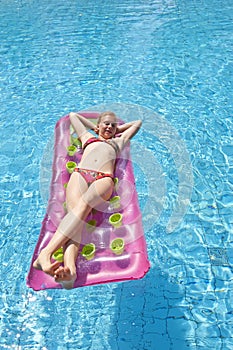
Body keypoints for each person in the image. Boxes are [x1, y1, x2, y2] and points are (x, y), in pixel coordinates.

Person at [33, 111, 142, 288]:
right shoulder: (87, 138)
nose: (109, 127)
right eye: (106, 124)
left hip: (103, 178)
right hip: (80, 174)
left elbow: (137, 123)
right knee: (77, 218)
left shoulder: (117, 142)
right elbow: (73, 116)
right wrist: (94, 127)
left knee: (83, 207)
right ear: (98, 126)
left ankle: (46, 253)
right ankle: (70, 270)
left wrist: (119, 128)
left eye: (112, 125)